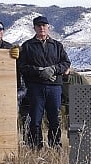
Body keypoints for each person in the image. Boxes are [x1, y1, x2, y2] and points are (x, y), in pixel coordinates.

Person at [17, 16, 71, 150]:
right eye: (39, 26)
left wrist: (53, 69)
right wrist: (39, 71)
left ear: (48, 27)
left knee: (54, 119)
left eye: (44, 25)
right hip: (36, 87)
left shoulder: (57, 45)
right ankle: (35, 147)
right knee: (35, 119)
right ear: (34, 28)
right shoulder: (28, 46)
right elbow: (22, 66)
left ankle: (55, 146)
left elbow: (66, 63)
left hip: (54, 87)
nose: (42, 28)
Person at [0, 20, 29, 135]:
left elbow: (21, 65)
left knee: (9, 120)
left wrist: (19, 52)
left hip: (9, 91)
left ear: (3, 31)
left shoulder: (9, 48)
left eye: (0, 29)